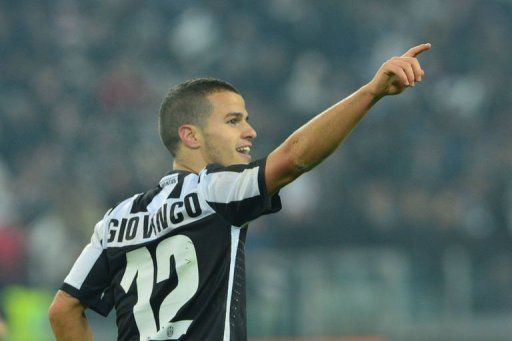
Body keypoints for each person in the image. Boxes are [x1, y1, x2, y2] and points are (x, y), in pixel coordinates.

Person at [48, 43, 431, 340]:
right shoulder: (214, 191)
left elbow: (63, 310)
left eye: (246, 119)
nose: (250, 131)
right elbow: (294, 158)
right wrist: (371, 92)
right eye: (233, 121)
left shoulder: (115, 221)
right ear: (190, 135)